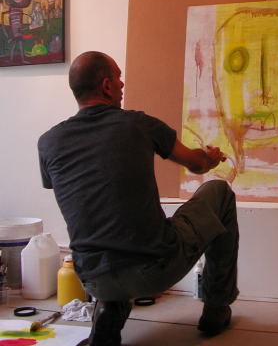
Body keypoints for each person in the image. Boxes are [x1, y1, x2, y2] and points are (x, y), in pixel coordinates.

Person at [38, 51, 239, 346]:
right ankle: (216, 308)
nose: (122, 84)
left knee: (113, 234)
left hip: (92, 278)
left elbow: (91, 197)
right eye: (118, 77)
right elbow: (197, 164)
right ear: (106, 86)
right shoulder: (139, 124)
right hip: (154, 268)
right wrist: (209, 157)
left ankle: (108, 311)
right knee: (218, 191)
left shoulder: (48, 142)